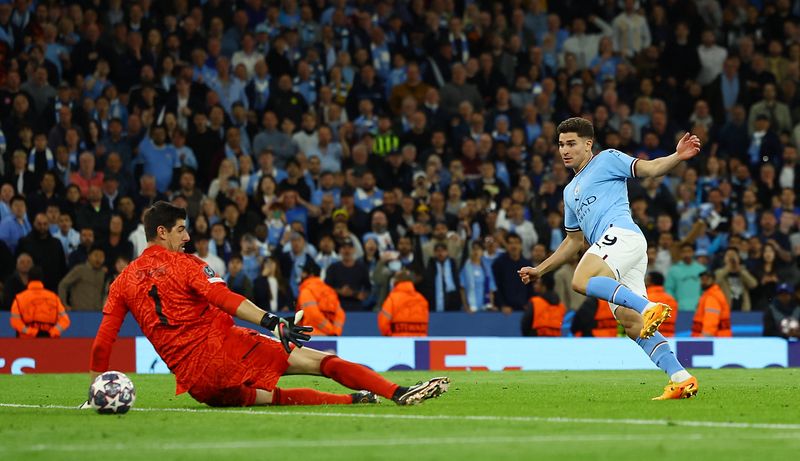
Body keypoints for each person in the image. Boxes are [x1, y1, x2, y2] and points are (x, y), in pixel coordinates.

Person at [86, 202, 448, 408]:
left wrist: (95, 392)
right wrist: (273, 321)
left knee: (272, 398)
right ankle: (398, 393)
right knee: (323, 362)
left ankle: (354, 401)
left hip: (198, 386)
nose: (187, 236)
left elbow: (103, 343)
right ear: (161, 232)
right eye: (181, 229)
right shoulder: (187, 265)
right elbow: (225, 299)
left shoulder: (123, 280)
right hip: (224, 351)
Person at [518, 117, 701, 400]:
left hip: (622, 235)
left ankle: (649, 305)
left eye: (571, 144)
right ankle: (681, 378)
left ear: (588, 144)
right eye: (561, 145)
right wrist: (540, 270)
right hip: (615, 251)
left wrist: (677, 156)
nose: (564, 150)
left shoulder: (607, 159)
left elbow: (649, 168)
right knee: (632, 324)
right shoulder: (569, 192)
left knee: (582, 279)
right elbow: (573, 241)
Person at [10, 267, 70, 338]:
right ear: (42, 279)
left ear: (28, 279)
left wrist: (33, 332)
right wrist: (51, 332)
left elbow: (15, 322)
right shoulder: (54, 298)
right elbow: (65, 320)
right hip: (50, 343)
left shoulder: (19, 299)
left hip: (26, 343)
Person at [296, 257, 346, 336]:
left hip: (312, 337)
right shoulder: (329, 291)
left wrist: (330, 331)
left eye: (304, 272)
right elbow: (340, 314)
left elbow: (313, 315)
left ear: (311, 274)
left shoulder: (306, 291)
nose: (301, 275)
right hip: (329, 337)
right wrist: (335, 332)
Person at [378, 269, 429, 336]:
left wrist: (390, 336)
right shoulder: (422, 299)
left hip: (399, 343)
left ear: (396, 282)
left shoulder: (392, 299)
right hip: (419, 343)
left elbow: (383, 323)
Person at [691, 271, 732, 337]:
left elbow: (711, 320)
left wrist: (705, 338)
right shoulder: (710, 294)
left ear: (713, 280)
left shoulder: (712, 296)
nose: (703, 282)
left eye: (706, 279)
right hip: (719, 339)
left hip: (713, 340)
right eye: (702, 279)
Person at [645, 272, 677, 337]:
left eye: (646, 280)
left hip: (649, 337)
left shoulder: (645, 298)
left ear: (650, 281)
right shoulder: (672, 300)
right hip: (669, 337)